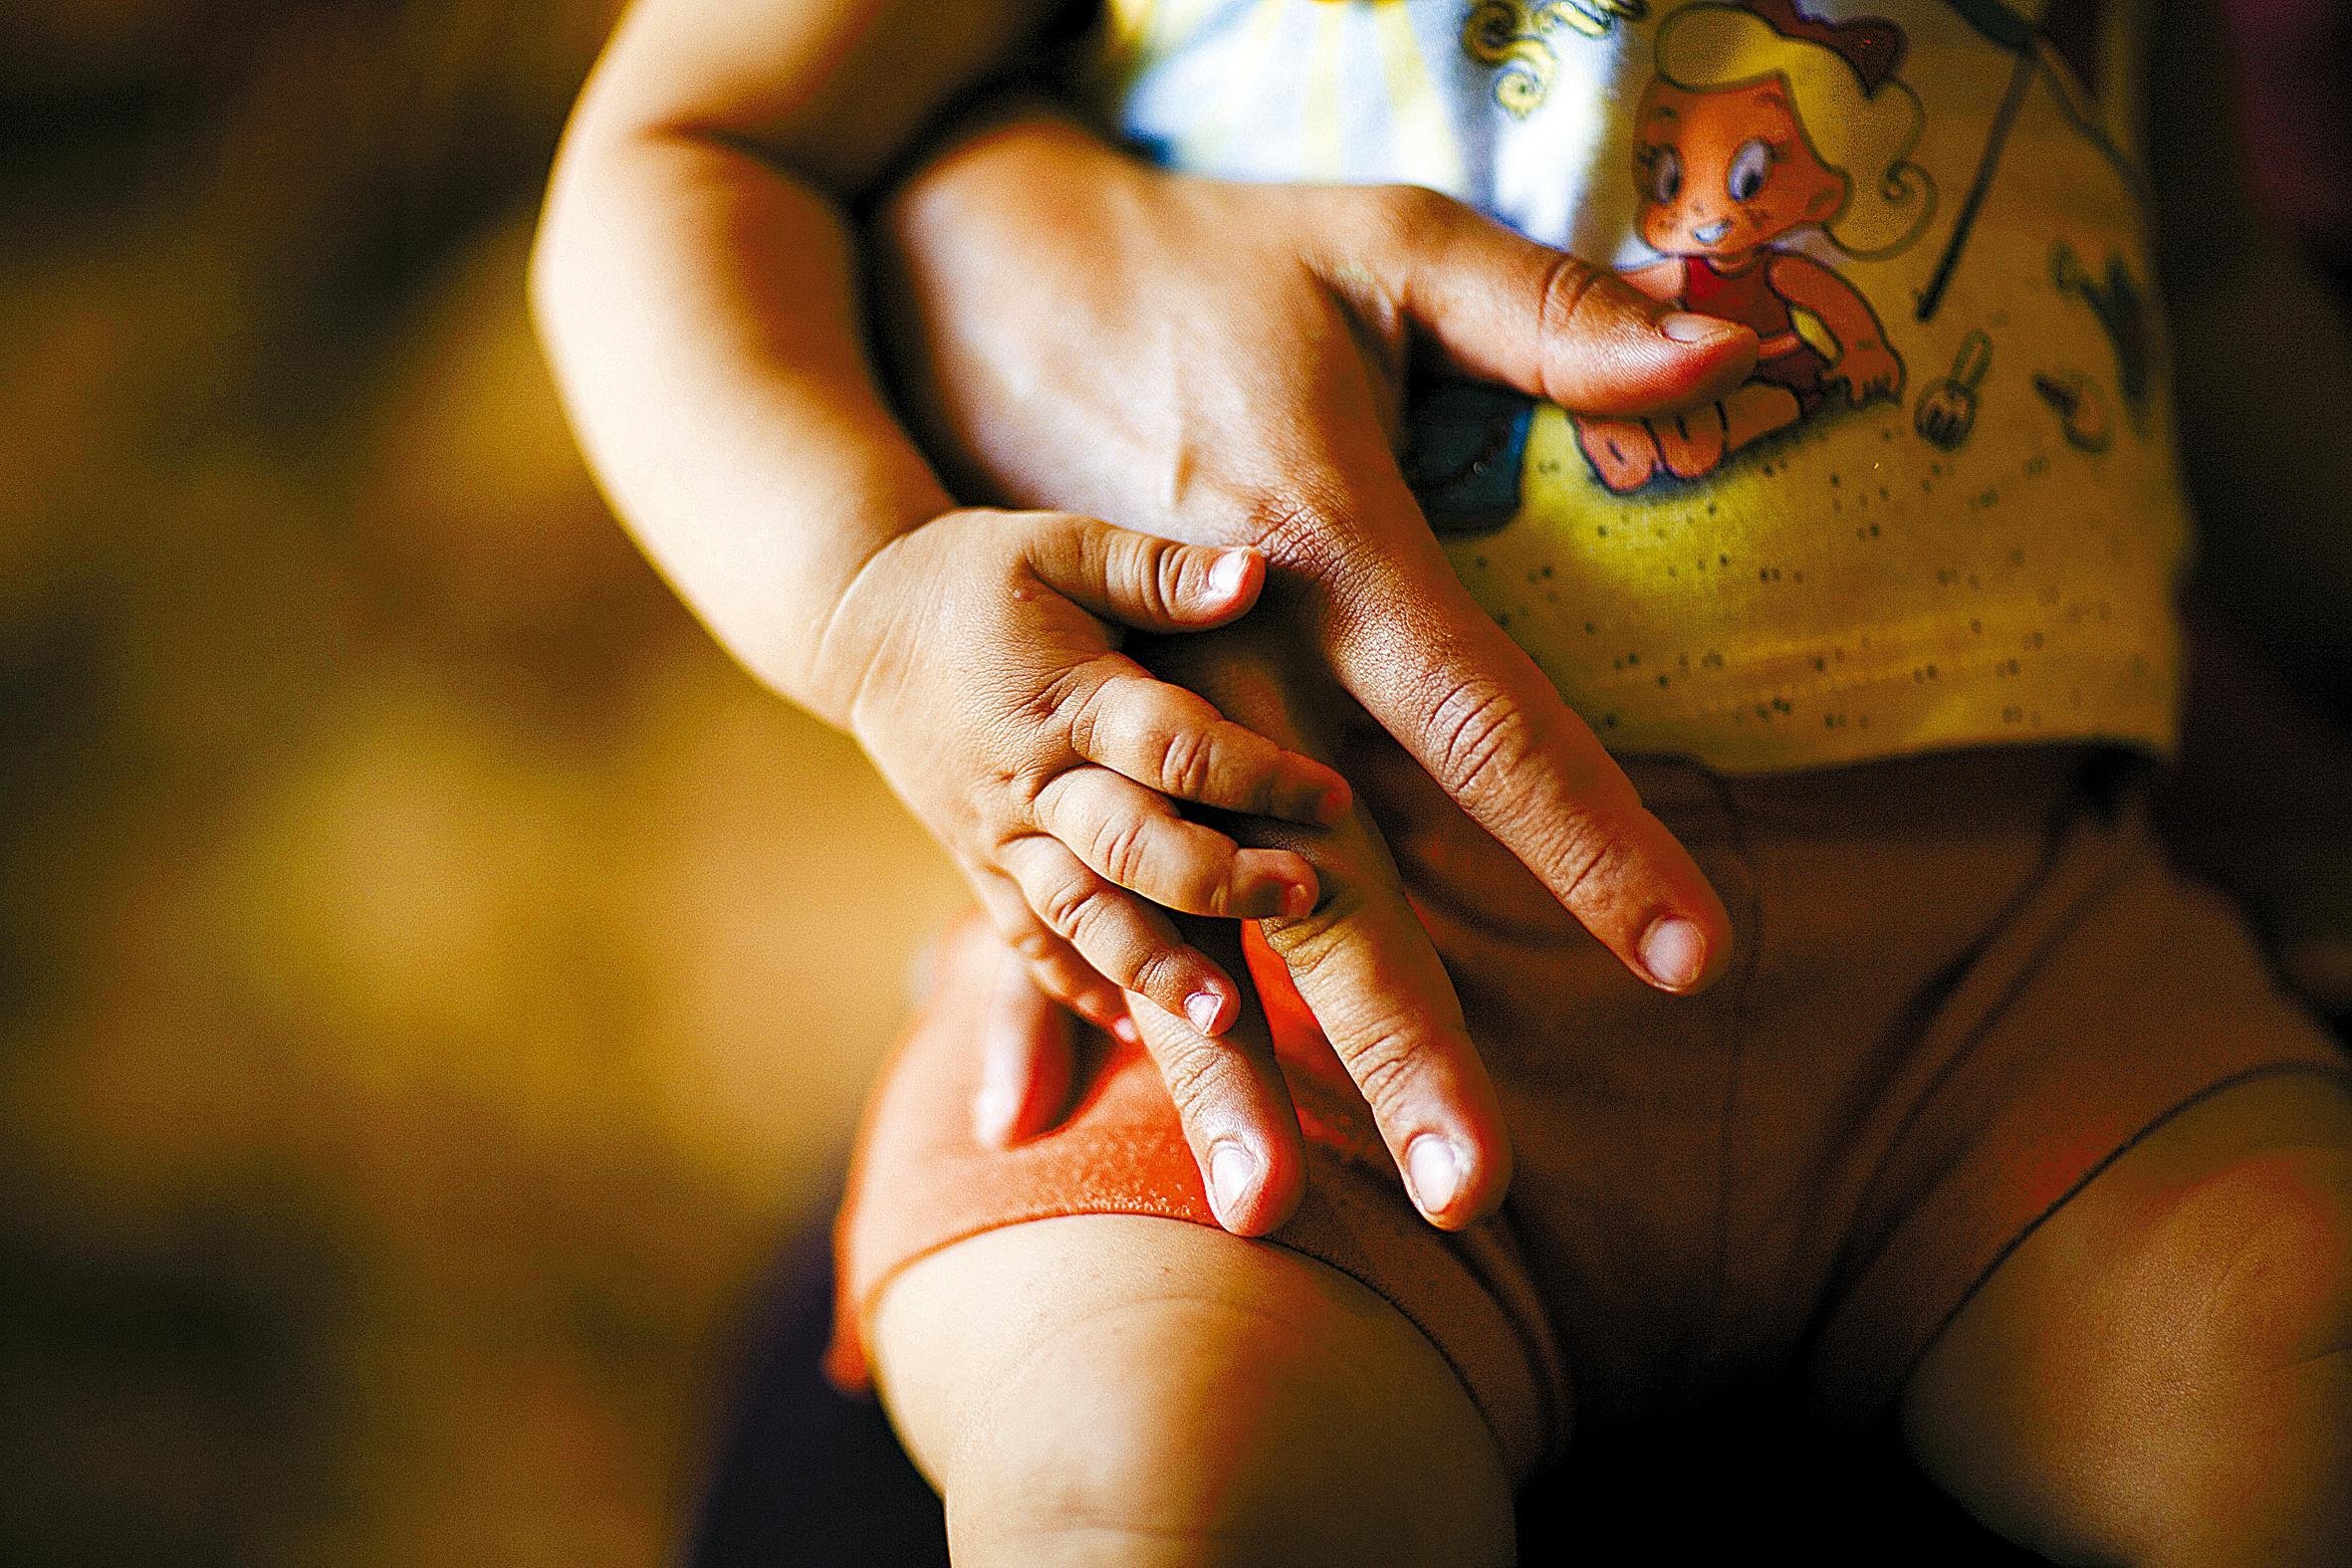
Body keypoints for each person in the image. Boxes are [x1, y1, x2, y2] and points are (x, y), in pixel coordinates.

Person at [531, 0, 2352, 1560]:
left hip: (2012, 983)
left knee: (2295, 1385)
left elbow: (2199, 281)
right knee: (1166, 1488)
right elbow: (693, 147)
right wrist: (867, 602)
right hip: (1287, 988)